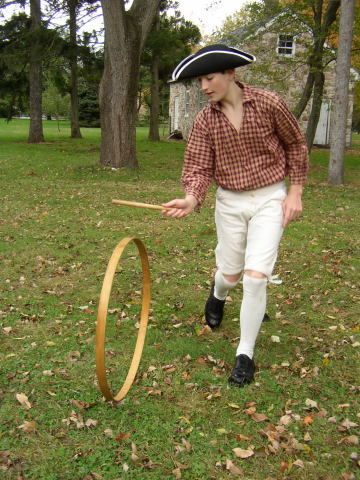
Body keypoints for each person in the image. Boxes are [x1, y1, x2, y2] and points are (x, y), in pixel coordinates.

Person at [163, 44, 309, 387]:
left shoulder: (269, 103)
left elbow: (296, 145)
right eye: (200, 81)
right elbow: (198, 167)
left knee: (256, 277)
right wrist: (191, 198)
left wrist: (296, 192)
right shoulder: (205, 120)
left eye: (209, 78)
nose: (204, 87)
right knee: (230, 275)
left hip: (270, 198)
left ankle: (245, 355)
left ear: (230, 73)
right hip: (229, 201)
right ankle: (218, 294)